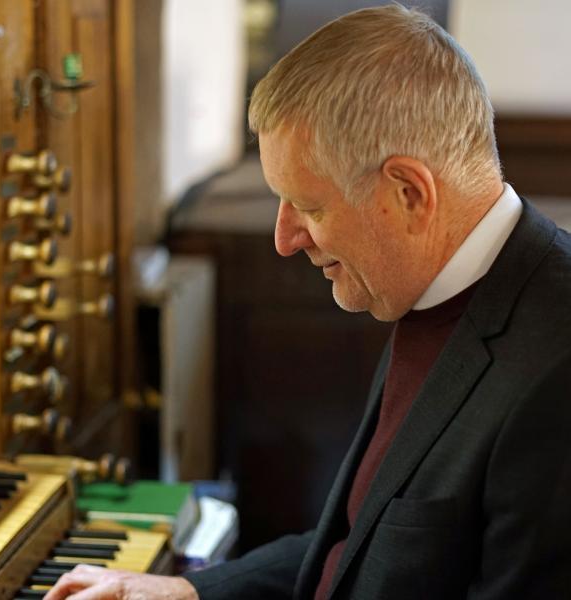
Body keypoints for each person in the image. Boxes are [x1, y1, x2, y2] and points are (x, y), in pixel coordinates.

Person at [44, 4, 571, 599]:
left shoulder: (555, 368)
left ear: (408, 193)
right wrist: (186, 593)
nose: (284, 238)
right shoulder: (438, 287)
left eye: (310, 207)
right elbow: (360, 549)